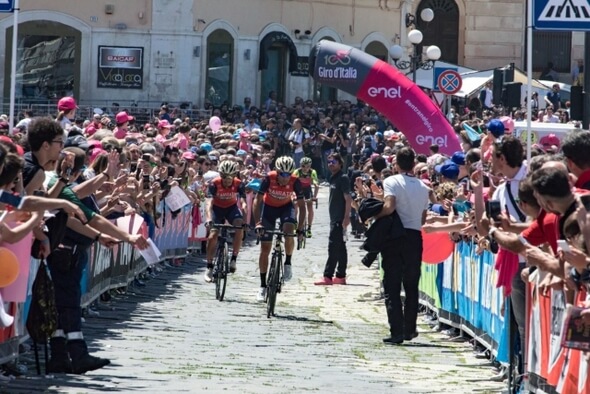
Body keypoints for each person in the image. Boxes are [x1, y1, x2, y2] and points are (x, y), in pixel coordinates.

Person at [372, 147, 429, 344]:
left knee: (392, 285)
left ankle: (397, 330)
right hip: (414, 236)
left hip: (395, 236)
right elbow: (422, 217)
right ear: (414, 164)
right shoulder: (423, 187)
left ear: (396, 164)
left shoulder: (391, 181)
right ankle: (410, 328)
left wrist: (375, 216)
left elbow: (389, 206)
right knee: (411, 285)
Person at [253, 156, 306, 302]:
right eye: (283, 174)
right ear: (277, 172)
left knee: (289, 231)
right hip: (268, 209)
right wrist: (258, 223)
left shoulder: (295, 181)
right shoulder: (268, 178)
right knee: (265, 249)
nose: (286, 177)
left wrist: (300, 228)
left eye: (288, 174)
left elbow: (302, 206)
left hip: (286, 208)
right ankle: (263, 286)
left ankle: (288, 262)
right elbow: (257, 200)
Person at [204, 160, 247, 282]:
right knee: (213, 235)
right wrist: (208, 218)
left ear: (234, 175)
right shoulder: (214, 184)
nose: (227, 180)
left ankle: (234, 258)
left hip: (231, 209)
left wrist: (244, 220)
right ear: (220, 175)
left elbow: (244, 204)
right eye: (224, 177)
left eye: (230, 177)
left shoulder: (239, 184)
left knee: (239, 227)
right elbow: (209, 203)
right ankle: (209, 266)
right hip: (217, 210)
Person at [313, 153, 352, 285]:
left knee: (333, 247)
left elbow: (348, 199)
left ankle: (327, 276)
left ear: (340, 163)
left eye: (334, 161)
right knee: (341, 247)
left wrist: (347, 217)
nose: (331, 164)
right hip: (333, 217)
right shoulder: (332, 177)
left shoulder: (343, 178)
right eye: (329, 162)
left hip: (339, 219)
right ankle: (341, 276)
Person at [293, 156, 319, 237]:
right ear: (300, 165)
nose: (305, 168)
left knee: (310, 207)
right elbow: (292, 183)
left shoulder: (312, 172)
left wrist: (314, 196)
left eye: (308, 166)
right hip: (298, 189)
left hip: (307, 190)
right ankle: (295, 225)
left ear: (310, 166)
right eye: (303, 166)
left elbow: (316, 185)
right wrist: (293, 195)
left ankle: (309, 228)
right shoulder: (297, 171)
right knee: (295, 206)